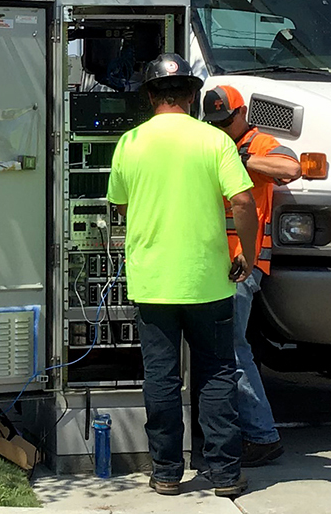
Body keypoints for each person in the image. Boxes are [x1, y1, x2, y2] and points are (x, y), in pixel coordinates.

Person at [107, 55, 258, 497]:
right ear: (191, 97)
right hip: (208, 281)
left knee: (161, 377)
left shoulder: (130, 142)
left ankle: (167, 473)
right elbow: (244, 203)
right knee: (216, 373)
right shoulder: (214, 141)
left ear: (151, 96)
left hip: (153, 282)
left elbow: (120, 205)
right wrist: (246, 255)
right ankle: (226, 474)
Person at [202, 84, 301, 466]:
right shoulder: (211, 141)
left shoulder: (258, 144)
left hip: (243, 266)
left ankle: (261, 435)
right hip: (215, 265)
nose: (223, 127)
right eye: (217, 122)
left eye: (228, 120)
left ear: (243, 113)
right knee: (223, 350)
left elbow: (289, 168)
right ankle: (241, 431)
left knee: (232, 350)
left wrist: (240, 161)